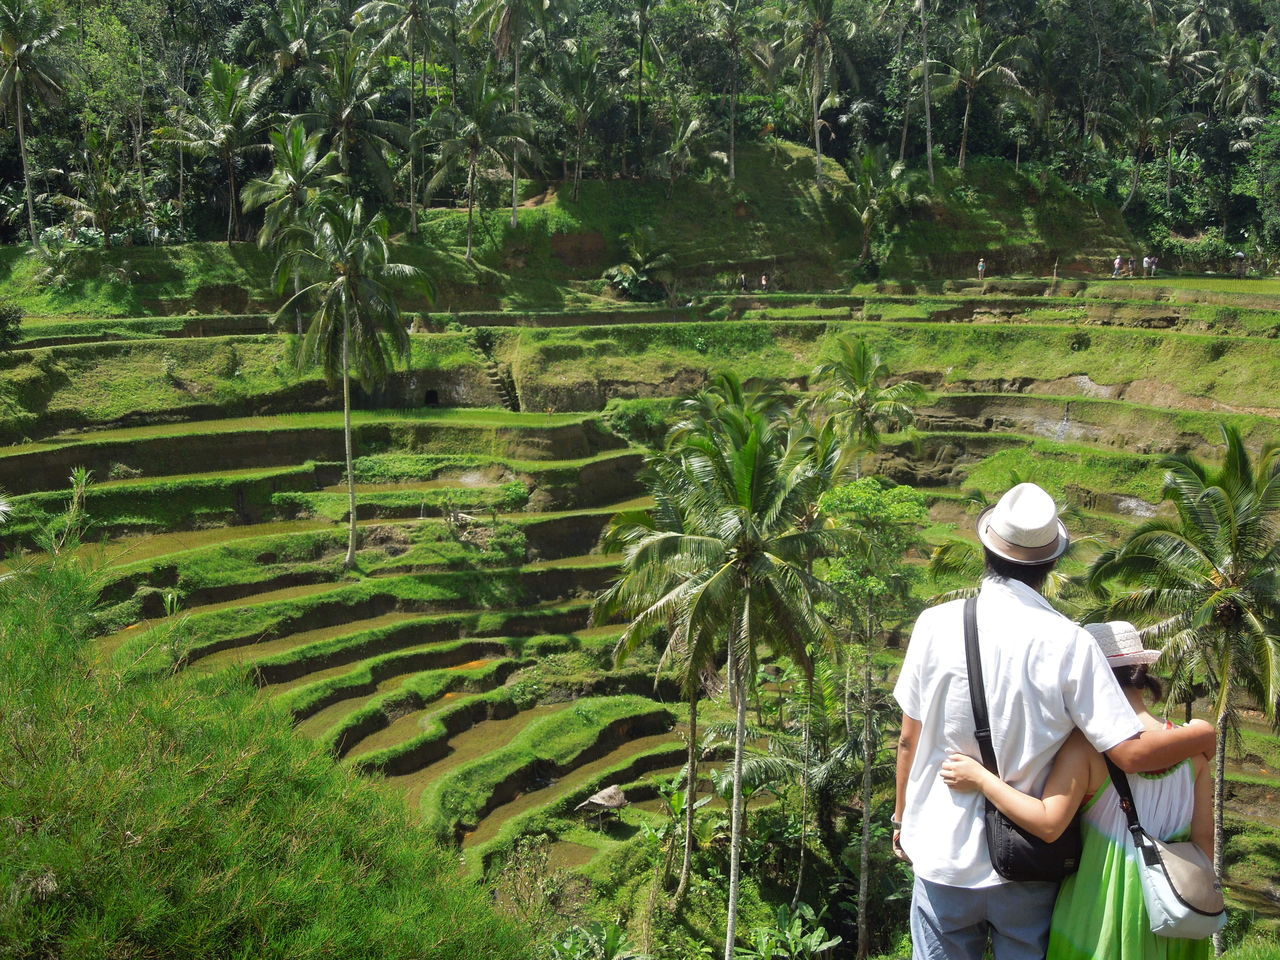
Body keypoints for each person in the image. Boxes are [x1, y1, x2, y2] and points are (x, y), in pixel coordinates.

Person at [892, 483, 1216, 960]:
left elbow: (908, 739)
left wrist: (902, 818)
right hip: (1028, 860)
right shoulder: (1071, 642)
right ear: (1051, 564)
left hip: (942, 850)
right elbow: (1128, 752)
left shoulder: (934, 623)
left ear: (987, 550)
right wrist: (1205, 733)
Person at [941, 621, 1213, 960]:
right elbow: (1203, 841)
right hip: (1175, 911)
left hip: (1098, 914)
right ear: (1142, 674)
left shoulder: (1085, 750)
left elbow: (1048, 823)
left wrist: (982, 779)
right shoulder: (1193, 750)